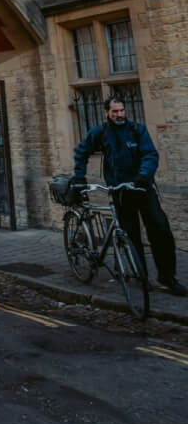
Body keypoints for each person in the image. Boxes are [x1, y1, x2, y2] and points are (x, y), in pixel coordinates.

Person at [73, 96, 186, 295]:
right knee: (130, 235)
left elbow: (150, 154)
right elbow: (81, 152)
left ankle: (167, 277)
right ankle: (140, 276)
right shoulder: (100, 132)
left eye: (122, 110)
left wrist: (144, 175)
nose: (119, 115)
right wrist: (79, 177)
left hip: (142, 188)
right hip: (120, 191)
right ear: (106, 112)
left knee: (160, 229)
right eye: (115, 111)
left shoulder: (137, 130)